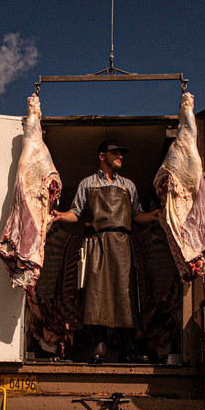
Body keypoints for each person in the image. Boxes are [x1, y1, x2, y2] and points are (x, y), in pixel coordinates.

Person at [53, 140, 161, 363]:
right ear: (102, 156)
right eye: (115, 153)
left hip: (122, 243)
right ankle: (99, 346)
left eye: (121, 153)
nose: (120, 157)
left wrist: (152, 216)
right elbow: (76, 212)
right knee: (95, 293)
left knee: (125, 293)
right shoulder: (88, 183)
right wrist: (61, 215)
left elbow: (136, 215)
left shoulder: (128, 185)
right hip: (96, 242)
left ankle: (128, 347)